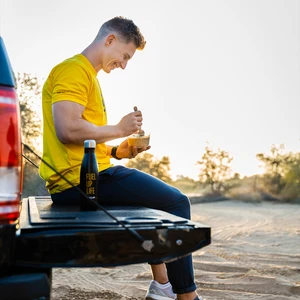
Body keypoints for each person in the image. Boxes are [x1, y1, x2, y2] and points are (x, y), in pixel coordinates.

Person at [39, 16, 203, 300]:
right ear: (110, 40)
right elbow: (67, 129)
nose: (124, 65)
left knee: (155, 204)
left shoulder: (87, 76)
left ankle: (162, 286)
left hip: (84, 176)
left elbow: (85, 140)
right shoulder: (73, 70)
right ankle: (186, 297)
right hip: (82, 181)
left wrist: (118, 150)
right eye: (124, 56)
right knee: (177, 202)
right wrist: (118, 128)